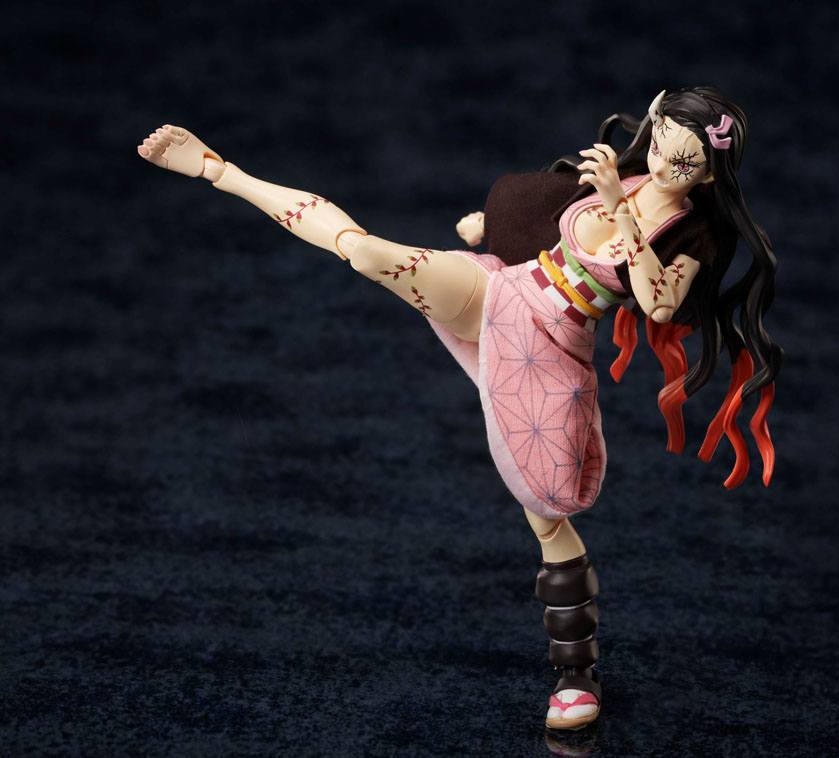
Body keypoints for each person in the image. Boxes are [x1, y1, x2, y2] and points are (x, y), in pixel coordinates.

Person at [136, 86, 781, 731]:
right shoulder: (623, 175)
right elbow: (543, 222)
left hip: (551, 345)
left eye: (687, 161)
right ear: (655, 124)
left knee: (547, 510)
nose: (667, 163)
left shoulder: (690, 231)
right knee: (364, 251)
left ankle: (576, 674)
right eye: (664, 143)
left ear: (711, 173)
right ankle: (221, 170)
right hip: (502, 289)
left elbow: (658, 302)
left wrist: (619, 207)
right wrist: (489, 230)